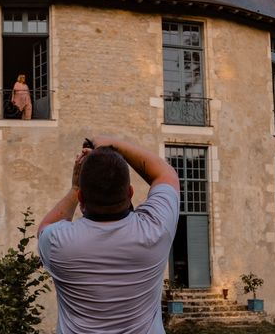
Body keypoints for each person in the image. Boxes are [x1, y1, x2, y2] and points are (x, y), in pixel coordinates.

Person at [38, 135, 180, 334]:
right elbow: (166, 175)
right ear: (130, 193)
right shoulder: (155, 229)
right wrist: (113, 144)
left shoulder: (58, 243)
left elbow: (46, 226)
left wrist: (74, 187)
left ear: (81, 198)